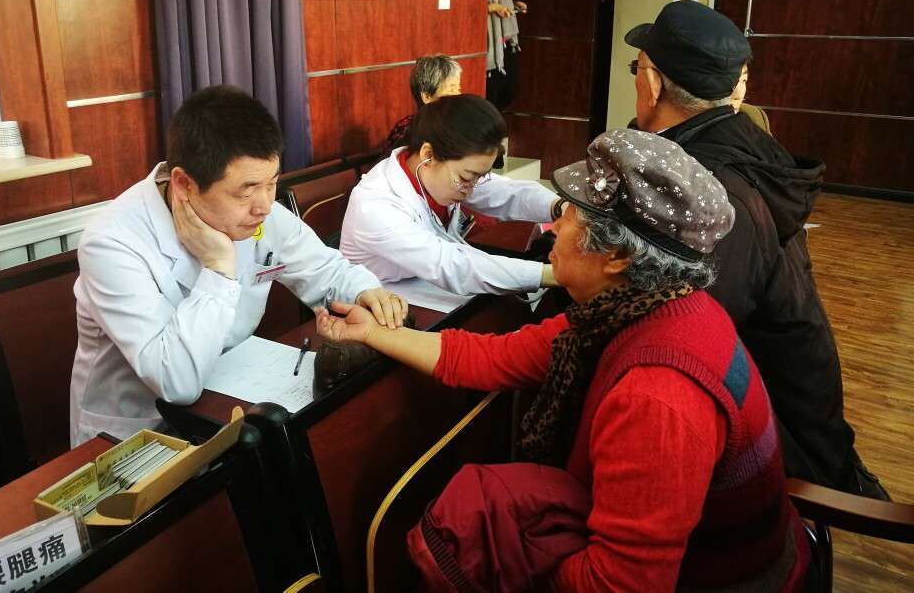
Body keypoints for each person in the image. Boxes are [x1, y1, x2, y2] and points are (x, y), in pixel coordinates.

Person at [319, 130, 812, 592]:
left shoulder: (657, 397)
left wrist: (518, 572)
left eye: (571, 215)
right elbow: (495, 356)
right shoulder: (637, 309)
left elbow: (620, 583)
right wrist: (374, 333)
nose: (554, 226)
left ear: (616, 256)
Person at [625, 0, 888, 499]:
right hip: (796, 399)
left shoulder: (709, 190)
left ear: (654, 83)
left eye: (637, 70)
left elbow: (685, 330)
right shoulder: (738, 142)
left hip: (772, 430)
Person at [69, 86, 407, 446]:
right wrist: (218, 269)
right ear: (183, 184)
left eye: (272, 183)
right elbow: (176, 382)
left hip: (229, 399)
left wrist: (366, 292)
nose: (264, 206)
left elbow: (329, 271)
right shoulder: (112, 242)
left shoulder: (261, 213)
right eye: (246, 191)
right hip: (136, 436)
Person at [341, 95, 559, 296]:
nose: (470, 189)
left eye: (479, 177)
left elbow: (507, 193)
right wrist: (552, 274)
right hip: (376, 300)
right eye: (466, 177)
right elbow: (449, 265)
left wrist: (559, 207)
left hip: (422, 288)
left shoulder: (441, 173)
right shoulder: (375, 204)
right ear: (428, 155)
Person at [383, 54, 462, 156]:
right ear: (427, 96)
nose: (458, 95)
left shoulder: (457, 123)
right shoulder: (407, 130)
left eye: (458, 88)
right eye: (451, 89)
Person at [486, 0, 526, 112]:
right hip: (489, 43)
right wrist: (492, 7)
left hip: (505, 42)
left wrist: (514, 4)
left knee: (510, 90)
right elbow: (467, 6)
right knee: (491, 95)